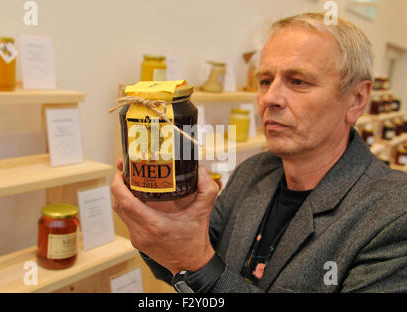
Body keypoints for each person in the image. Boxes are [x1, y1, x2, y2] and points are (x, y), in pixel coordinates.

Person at [111, 12, 407, 293]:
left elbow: (199, 264)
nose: (270, 98)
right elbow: (186, 262)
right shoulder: (252, 172)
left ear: (356, 100)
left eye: (298, 81)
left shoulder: (393, 214)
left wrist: (198, 263)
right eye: (265, 81)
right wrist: (166, 219)